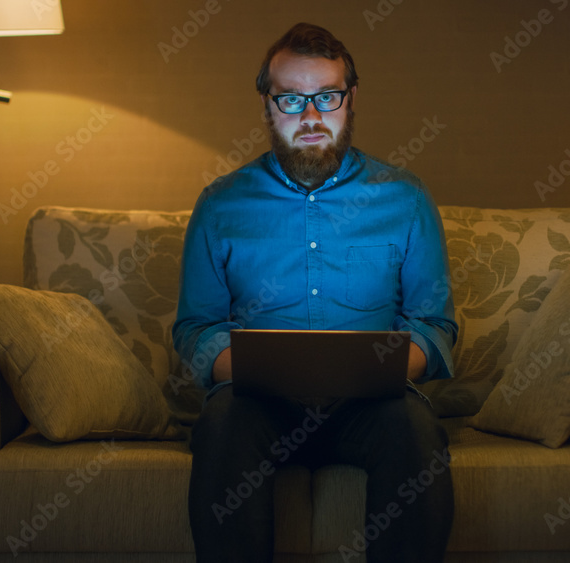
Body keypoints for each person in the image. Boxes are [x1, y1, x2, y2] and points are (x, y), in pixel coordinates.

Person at [172, 22, 457, 563]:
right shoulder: (219, 205)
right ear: (266, 103)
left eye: (326, 97)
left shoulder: (406, 198)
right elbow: (196, 328)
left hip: (371, 409)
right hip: (257, 408)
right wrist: (252, 368)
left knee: (416, 427)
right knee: (223, 422)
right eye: (290, 99)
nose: (309, 117)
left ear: (351, 99)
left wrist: (390, 367)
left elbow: (434, 324)